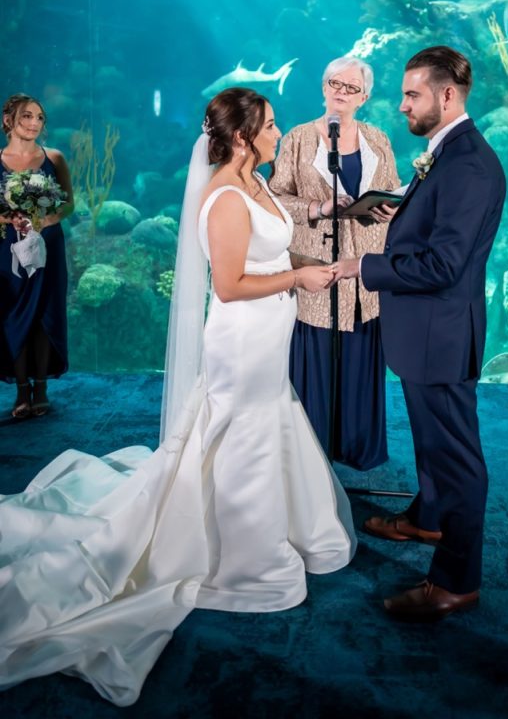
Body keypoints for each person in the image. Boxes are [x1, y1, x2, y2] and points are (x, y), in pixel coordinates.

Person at [0, 88, 356, 706]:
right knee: (240, 433)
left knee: (270, 419)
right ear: (243, 136)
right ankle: (245, 554)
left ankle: (287, 524)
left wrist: (326, 262)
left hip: (271, 335)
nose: (280, 135)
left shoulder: (259, 182)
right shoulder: (222, 194)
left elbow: (269, 248)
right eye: (271, 127)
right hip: (243, 338)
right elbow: (231, 283)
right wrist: (298, 277)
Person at [332, 46, 506, 621]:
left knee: (457, 458)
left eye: (412, 95)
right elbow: (436, 229)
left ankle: (457, 580)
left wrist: (368, 267)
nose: (402, 105)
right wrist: (402, 213)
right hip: (427, 333)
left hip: (441, 336)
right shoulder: (445, 155)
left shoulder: (468, 165)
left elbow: (443, 267)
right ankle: (427, 520)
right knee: (433, 445)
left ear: (447, 96)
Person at [270, 56, 400, 470]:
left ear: (365, 96)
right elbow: (274, 202)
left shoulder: (378, 140)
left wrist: (390, 210)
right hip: (316, 271)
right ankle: (312, 455)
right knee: (317, 364)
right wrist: (318, 207)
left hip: (366, 272)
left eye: (350, 87)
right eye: (334, 84)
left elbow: (394, 191)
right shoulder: (297, 139)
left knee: (362, 361)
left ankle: (359, 447)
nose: (340, 93)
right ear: (323, 87)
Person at [0, 93, 73, 418]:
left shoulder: (54, 157)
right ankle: (21, 390)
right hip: (7, 247)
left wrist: (44, 221)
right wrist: (9, 219)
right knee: (13, 313)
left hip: (48, 245)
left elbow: (69, 202)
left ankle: (41, 386)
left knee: (44, 313)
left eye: (40, 117)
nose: (34, 123)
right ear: (9, 121)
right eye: (27, 116)